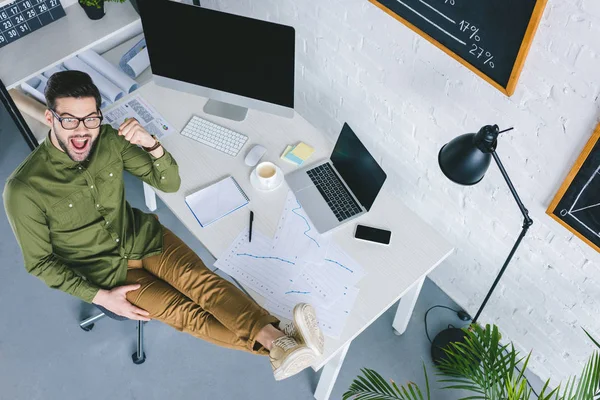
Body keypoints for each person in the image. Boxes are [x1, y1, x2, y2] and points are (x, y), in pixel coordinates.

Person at [3, 71, 324, 381]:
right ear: (50, 119)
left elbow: (168, 182)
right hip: (107, 274)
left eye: (90, 118)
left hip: (142, 237)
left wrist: (151, 144)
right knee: (187, 316)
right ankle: (281, 341)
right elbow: (41, 264)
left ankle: (278, 343)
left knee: (203, 285)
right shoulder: (23, 189)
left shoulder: (109, 141)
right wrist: (101, 297)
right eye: (69, 120)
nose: (82, 131)